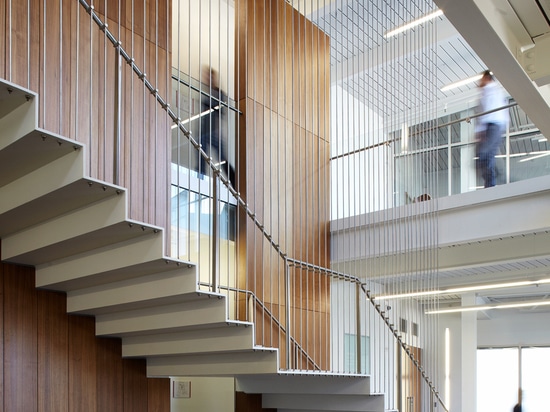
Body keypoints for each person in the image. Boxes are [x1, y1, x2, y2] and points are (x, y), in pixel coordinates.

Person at [199, 66, 235, 184]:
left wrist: (217, 130)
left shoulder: (218, 93)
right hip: (204, 131)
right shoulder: (205, 92)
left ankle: (235, 183)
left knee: (222, 159)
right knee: (200, 156)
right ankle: (199, 180)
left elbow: (220, 112)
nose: (207, 78)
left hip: (213, 131)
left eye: (209, 76)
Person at [475, 70, 508, 188]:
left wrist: (480, 130)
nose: (480, 82)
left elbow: (485, 111)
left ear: (487, 78)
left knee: (483, 154)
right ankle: (491, 183)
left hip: (492, 125)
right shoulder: (497, 91)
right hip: (498, 125)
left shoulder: (488, 90)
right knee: (488, 155)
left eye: (482, 79)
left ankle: (493, 179)